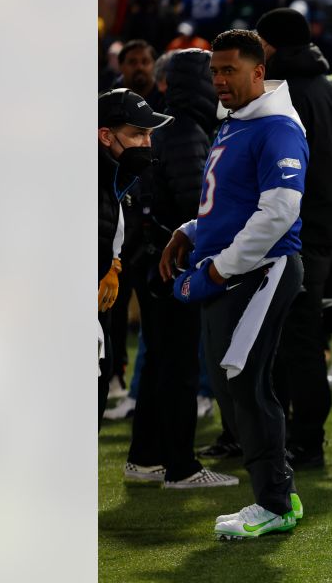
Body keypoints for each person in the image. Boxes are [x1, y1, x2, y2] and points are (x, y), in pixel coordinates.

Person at [158, 29, 307, 539]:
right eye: (215, 71)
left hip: (262, 271)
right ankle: (277, 492)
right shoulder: (238, 121)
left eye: (229, 70)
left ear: (257, 71)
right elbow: (232, 202)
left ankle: (274, 502)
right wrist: (192, 230)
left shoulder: (278, 126)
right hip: (233, 268)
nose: (219, 80)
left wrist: (222, 267)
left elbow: (281, 210)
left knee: (246, 384)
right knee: (229, 386)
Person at [123, 48, 240, 489]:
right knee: (179, 365)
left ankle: (145, 457)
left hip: (148, 261)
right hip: (174, 265)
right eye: (214, 75)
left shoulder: (163, 129)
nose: (220, 84)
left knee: (158, 361)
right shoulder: (189, 131)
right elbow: (198, 208)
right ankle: (180, 466)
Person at [254, 7, 332, 470]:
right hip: (329, 224)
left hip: (300, 229)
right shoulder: (331, 91)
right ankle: (298, 435)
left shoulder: (287, 95)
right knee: (301, 332)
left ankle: (306, 440)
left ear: (272, 45)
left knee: (295, 338)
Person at [98, 89, 171, 428]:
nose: (147, 143)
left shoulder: (115, 177)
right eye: (138, 133)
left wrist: (110, 263)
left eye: (150, 134)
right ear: (105, 136)